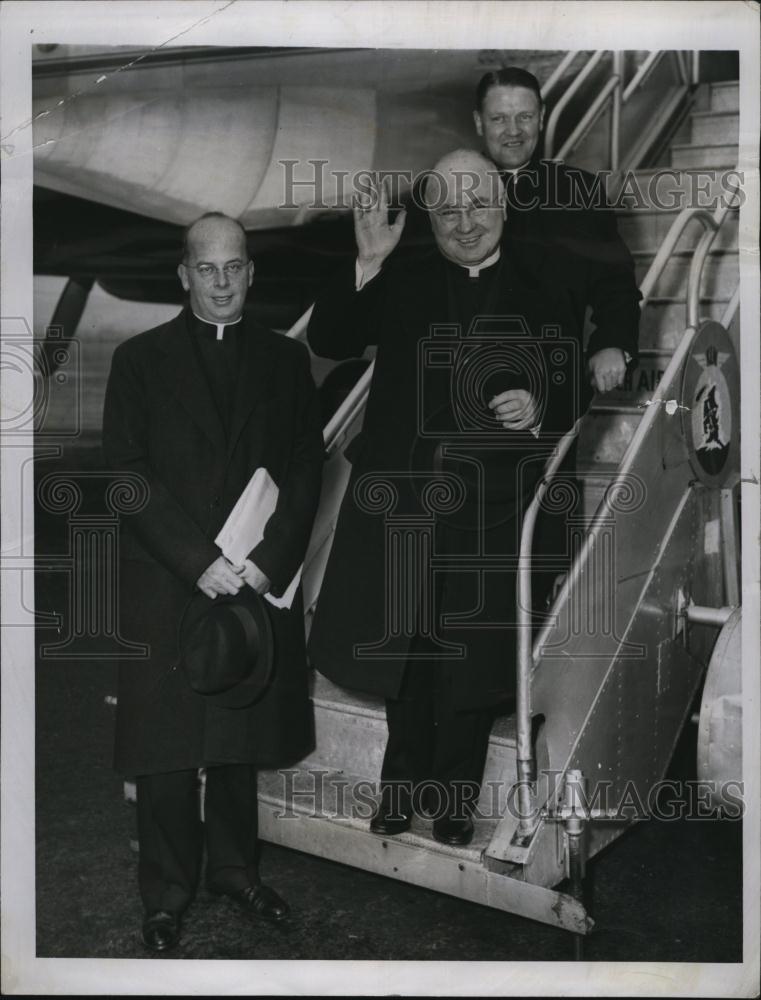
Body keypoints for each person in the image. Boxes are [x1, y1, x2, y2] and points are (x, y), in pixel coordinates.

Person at [306, 150, 637, 849]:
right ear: (430, 215)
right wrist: (366, 261)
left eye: (478, 206)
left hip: (494, 502)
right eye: (448, 210)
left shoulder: (543, 277)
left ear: (504, 205)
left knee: (467, 659)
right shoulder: (402, 271)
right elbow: (333, 337)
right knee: (406, 654)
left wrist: (541, 399)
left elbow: (571, 373)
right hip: (407, 497)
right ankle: (402, 790)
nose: (464, 223)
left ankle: (453, 800)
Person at [102, 212, 324, 952]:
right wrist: (197, 560)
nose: (222, 282)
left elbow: (304, 467)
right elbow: (126, 479)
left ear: (250, 273)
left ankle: (234, 870)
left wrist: (269, 558)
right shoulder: (138, 361)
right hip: (171, 576)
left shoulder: (285, 362)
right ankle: (166, 892)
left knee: (238, 734)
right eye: (207, 269)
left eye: (235, 267)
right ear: (184, 275)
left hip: (254, 574)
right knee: (167, 746)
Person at [473, 66, 641, 391]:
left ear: (542, 117)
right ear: (479, 121)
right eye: (498, 119)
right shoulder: (445, 192)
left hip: (553, 390)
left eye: (524, 116)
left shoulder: (580, 191)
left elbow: (615, 285)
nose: (513, 130)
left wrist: (611, 342)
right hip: (463, 391)